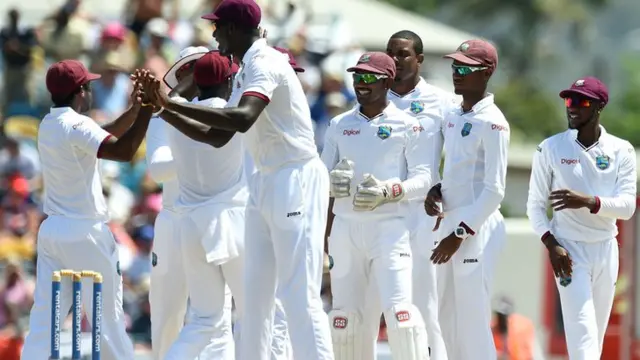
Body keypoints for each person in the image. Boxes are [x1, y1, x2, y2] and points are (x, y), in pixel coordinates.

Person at [142, 0, 335, 358]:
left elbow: (243, 117)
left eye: (217, 27)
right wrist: (165, 109)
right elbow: (217, 136)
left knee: (298, 295)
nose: (214, 34)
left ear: (232, 29)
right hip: (264, 182)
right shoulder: (247, 66)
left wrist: (169, 105)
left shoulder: (265, 62)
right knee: (257, 298)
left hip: (295, 177)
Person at [21, 60, 153, 359]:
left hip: (53, 231)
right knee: (108, 318)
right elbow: (123, 151)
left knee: (46, 319)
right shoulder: (77, 125)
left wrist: (133, 111)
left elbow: (99, 134)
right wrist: (146, 111)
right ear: (81, 92)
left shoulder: (49, 123)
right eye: (88, 87)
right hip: (85, 233)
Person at [321, 51, 431, 359]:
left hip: (389, 230)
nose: (361, 84)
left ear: (387, 81)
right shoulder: (339, 124)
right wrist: (329, 181)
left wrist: (390, 190)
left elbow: (424, 178)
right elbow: (318, 177)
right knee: (345, 323)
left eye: (369, 77)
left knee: (401, 317)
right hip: (344, 231)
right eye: (357, 77)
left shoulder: (408, 124)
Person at [526, 76, 636, 358]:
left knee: (593, 340)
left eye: (581, 102)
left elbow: (626, 207)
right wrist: (552, 244)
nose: (572, 107)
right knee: (583, 336)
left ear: (599, 107)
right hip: (569, 250)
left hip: (606, 250)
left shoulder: (621, 150)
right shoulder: (550, 148)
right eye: (569, 100)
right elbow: (535, 206)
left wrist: (587, 201)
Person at [150, 51, 245, 359]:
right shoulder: (231, 114)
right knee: (255, 309)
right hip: (220, 221)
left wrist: (166, 105)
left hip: (192, 220)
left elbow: (181, 118)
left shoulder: (173, 120)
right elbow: (158, 170)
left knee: (209, 320)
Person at [423, 39, 509, 360]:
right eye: (454, 67)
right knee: (444, 317)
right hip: (450, 225)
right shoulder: (454, 114)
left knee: (472, 321)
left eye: (465, 68)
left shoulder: (494, 121)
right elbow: (458, 173)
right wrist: (437, 189)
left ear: (486, 72)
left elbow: (494, 189)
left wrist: (460, 234)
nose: (456, 73)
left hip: (476, 227)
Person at [386, 29, 454, 360]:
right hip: (380, 213)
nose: (396, 61)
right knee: (389, 306)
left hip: (423, 214)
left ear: (420, 59)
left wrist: (443, 188)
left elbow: (463, 153)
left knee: (426, 302)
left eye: (404, 54)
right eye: (391, 53)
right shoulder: (373, 97)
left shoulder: (442, 102)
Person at [144, 45, 212, 360]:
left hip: (212, 219)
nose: (200, 75)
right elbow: (158, 169)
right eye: (193, 69)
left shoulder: (224, 110)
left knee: (213, 316)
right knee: (167, 316)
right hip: (173, 220)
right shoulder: (164, 116)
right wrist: (198, 147)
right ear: (182, 75)